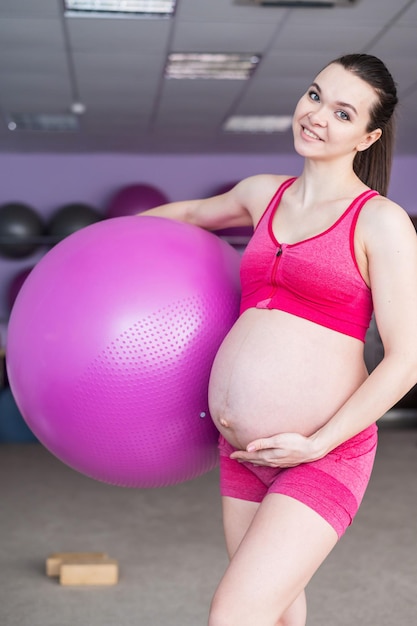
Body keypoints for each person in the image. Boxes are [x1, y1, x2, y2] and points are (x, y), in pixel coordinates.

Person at [139, 53, 417, 626]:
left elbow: (407, 359)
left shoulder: (380, 221)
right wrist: (101, 241)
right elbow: (191, 214)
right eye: (315, 96)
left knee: (234, 614)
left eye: (342, 113)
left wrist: (317, 445)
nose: (316, 116)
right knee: (280, 614)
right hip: (242, 453)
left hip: (323, 455)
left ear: (369, 136)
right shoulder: (263, 193)